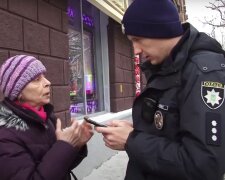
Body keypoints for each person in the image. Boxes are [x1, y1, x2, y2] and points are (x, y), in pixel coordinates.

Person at [95, 0, 225, 179]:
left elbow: (204, 164)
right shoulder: (168, 66)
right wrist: (137, 130)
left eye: (137, 39)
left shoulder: (202, 73)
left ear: (159, 29)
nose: (136, 50)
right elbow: (172, 128)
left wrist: (132, 140)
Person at [0, 55, 94, 180]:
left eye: (44, 76)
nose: (48, 83)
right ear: (18, 91)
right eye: (37, 79)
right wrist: (64, 145)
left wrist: (76, 145)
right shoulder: (5, 135)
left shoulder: (47, 118)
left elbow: (62, 168)